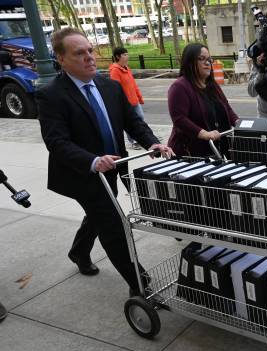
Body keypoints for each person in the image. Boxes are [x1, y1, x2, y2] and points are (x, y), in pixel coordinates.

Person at [36, 28, 174, 296]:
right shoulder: (51, 95)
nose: (89, 57)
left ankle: (78, 252)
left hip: (112, 167)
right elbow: (56, 142)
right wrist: (93, 160)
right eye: (79, 53)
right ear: (61, 59)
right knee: (112, 223)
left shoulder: (109, 87)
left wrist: (152, 142)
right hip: (83, 173)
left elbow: (133, 122)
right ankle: (139, 284)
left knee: (99, 213)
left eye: (89, 50)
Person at [167, 43, 238, 158]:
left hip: (215, 150)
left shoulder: (212, 85)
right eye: (201, 59)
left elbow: (226, 108)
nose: (207, 63)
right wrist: (205, 134)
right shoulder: (179, 87)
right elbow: (179, 119)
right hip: (189, 154)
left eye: (209, 59)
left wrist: (238, 123)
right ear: (189, 62)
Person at [109, 46, 146, 150]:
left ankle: (141, 138)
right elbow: (115, 88)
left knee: (140, 118)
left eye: (127, 54)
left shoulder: (127, 68)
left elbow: (133, 85)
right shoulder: (115, 71)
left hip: (134, 100)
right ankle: (133, 141)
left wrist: (139, 97)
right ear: (117, 56)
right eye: (124, 55)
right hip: (126, 103)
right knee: (130, 122)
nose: (127, 56)